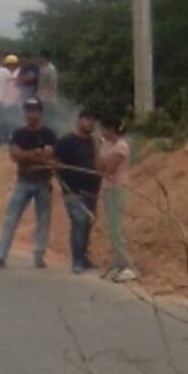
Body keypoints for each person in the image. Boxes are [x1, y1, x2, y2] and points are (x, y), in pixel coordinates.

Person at [0, 97, 58, 270]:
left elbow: (51, 157)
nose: (30, 114)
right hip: (23, 181)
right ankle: (0, 256)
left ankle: (39, 257)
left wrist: (28, 155)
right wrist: (36, 154)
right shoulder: (18, 133)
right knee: (11, 219)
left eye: (33, 110)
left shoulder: (50, 134)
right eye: (28, 110)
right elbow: (14, 156)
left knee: (43, 220)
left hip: (43, 182)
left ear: (40, 112)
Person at [54, 109, 101, 274]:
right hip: (73, 191)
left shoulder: (93, 142)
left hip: (91, 191)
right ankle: (77, 260)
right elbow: (54, 161)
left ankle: (84, 257)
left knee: (87, 224)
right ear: (79, 120)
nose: (91, 123)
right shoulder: (66, 141)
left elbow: (98, 163)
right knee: (79, 222)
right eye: (88, 119)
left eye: (93, 120)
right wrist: (62, 178)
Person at [99, 116, 138, 283]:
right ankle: (117, 264)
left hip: (118, 189)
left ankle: (126, 267)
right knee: (112, 229)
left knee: (117, 228)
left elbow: (107, 169)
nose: (101, 132)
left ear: (111, 130)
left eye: (104, 129)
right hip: (108, 189)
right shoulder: (107, 145)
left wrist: (98, 159)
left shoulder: (121, 147)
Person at [0, 54, 21, 127]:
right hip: (6, 101)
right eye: (8, 64)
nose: (10, 66)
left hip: (17, 101)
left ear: (16, 65)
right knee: (6, 119)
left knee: (17, 119)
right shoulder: (4, 73)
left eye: (12, 64)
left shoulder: (19, 73)